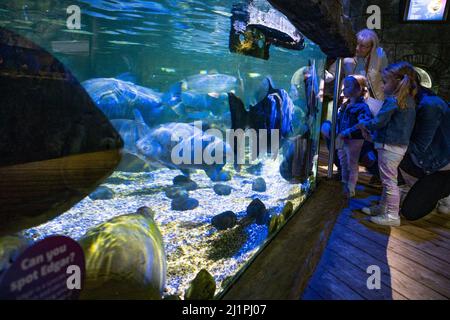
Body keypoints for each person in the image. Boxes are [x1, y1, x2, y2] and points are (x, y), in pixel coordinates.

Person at [358, 62, 417, 226]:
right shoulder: (409, 100)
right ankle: (383, 208)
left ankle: (392, 215)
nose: (382, 86)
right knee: (388, 179)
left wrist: (364, 123)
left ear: (397, 82)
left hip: (389, 146)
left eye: (385, 82)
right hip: (398, 147)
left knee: (389, 181)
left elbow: (378, 121)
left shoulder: (393, 101)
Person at [398, 78, 450, 220]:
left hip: (441, 168)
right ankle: (413, 187)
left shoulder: (430, 107)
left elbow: (420, 147)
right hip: (428, 164)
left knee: (410, 212)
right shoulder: (412, 105)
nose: (383, 87)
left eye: (385, 82)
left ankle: (444, 192)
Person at [335, 75, 373, 197]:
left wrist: (346, 133)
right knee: (343, 162)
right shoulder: (345, 105)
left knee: (352, 163)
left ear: (359, 89)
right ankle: (344, 183)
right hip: (342, 138)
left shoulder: (363, 107)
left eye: (347, 86)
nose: (343, 89)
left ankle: (351, 188)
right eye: (343, 86)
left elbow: (362, 124)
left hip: (354, 140)